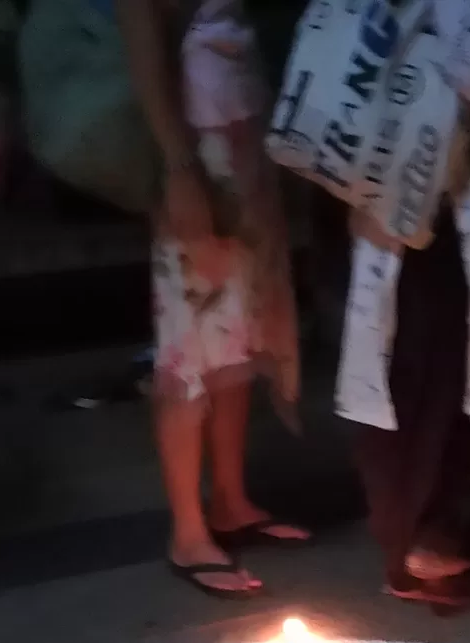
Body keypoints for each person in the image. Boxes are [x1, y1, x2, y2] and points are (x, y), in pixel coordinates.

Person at [336, 0, 470, 609]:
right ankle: (422, 550)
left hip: (384, 198)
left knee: (398, 382)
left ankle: (407, 547)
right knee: (435, 384)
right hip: (436, 211)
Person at [117, 0, 310, 598]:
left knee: (237, 337)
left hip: (241, 140)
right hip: (195, 152)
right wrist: (178, 169)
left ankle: (229, 500)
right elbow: (145, 48)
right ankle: (189, 532)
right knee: (188, 345)